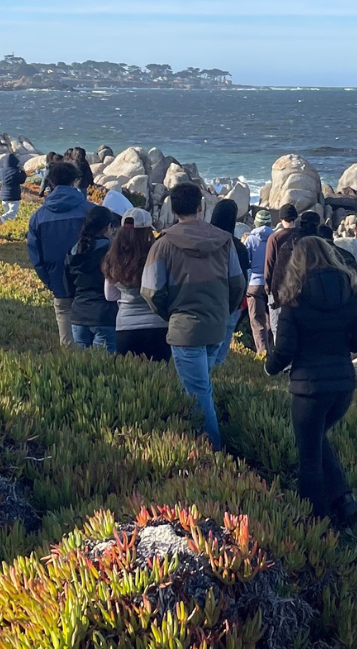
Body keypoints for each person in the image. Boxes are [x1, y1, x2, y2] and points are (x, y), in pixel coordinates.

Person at [265, 236, 357, 525]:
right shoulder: (351, 292)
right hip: (342, 386)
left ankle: (317, 524)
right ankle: (344, 500)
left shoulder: (294, 298)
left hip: (309, 389)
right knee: (317, 440)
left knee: (309, 456)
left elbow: (284, 349)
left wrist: (269, 368)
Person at [141, 182, 245, 451]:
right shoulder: (224, 241)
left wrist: (171, 313)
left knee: (198, 394)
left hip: (185, 329)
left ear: (173, 209)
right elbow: (237, 285)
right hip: (217, 326)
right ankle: (200, 442)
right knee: (202, 388)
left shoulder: (162, 245)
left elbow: (151, 291)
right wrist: (224, 311)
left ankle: (213, 452)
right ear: (201, 206)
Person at [26, 160, 90, 346]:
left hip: (58, 280)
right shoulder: (90, 210)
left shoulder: (38, 217)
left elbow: (35, 256)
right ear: (74, 182)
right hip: (88, 282)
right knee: (95, 340)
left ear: (51, 183)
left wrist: (49, 281)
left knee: (67, 337)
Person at [102, 208, 171, 361]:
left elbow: (110, 295)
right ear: (147, 231)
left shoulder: (112, 257)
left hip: (126, 326)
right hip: (157, 326)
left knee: (129, 377)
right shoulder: (155, 256)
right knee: (158, 380)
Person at [65, 205, 118, 351]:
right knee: (104, 368)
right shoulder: (111, 250)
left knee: (83, 366)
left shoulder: (74, 250)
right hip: (104, 315)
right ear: (108, 227)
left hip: (78, 314)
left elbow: (68, 286)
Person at [209, 199, 252, 367]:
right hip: (228, 307)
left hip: (203, 301)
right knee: (217, 357)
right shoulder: (238, 247)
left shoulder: (201, 240)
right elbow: (241, 282)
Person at [263, 203, 300, 341]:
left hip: (277, 289)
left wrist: (268, 288)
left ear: (280, 220)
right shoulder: (302, 236)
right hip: (298, 287)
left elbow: (269, 265)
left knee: (277, 328)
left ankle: (280, 358)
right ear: (295, 218)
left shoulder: (274, 238)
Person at [241, 208, 275, 354]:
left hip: (254, 285)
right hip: (273, 285)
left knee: (257, 322)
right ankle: (275, 354)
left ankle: (263, 355)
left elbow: (246, 262)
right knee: (273, 322)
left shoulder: (250, 239)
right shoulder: (275, 239)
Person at [0, 153, 24, 223]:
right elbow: (22, 180)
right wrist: (22, 171)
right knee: (12, 212)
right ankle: (2, 217)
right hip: (13, 196)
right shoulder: (15, 172)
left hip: (3, 196)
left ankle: (5, 224)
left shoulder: (1, 171)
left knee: (8, 216)